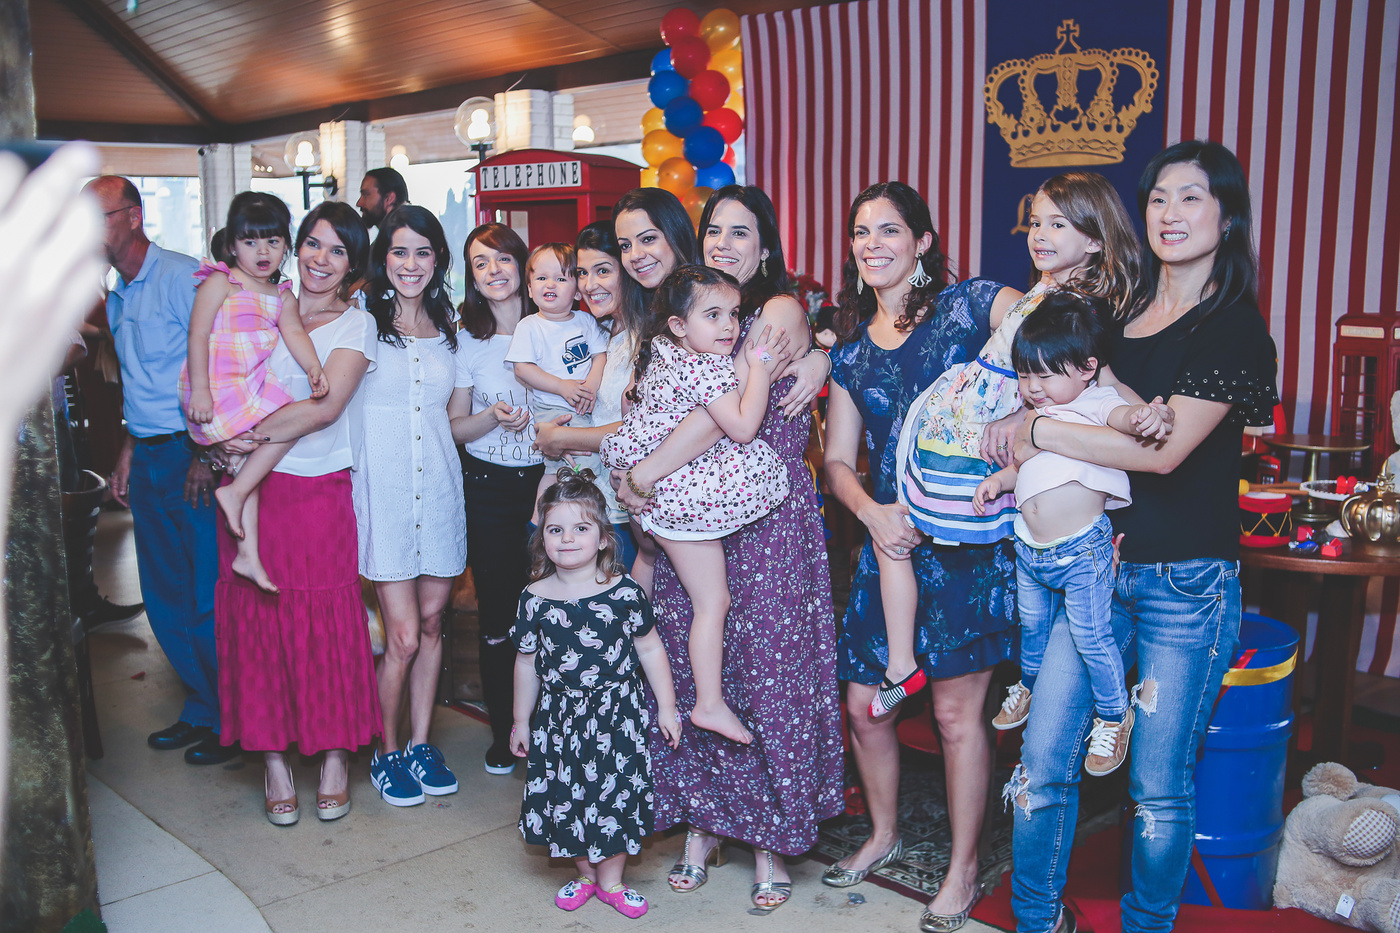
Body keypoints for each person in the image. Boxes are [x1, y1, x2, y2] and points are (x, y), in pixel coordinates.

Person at [1006, 141, 1279, 933]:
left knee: (1157, 787)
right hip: (1091, 567)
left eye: (1191, 198)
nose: (1170, 214)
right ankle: (1036, 921)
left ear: (1227, 217)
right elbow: (1049, 387)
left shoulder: (1233, 330)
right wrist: (1033, 420)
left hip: (1187, 582)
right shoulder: (1112, 317)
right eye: (1158, 197)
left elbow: (1161, 452)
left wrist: (1039, 429)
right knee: (1041, 763)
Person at [614, 185, 840, 913]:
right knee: (698, 665)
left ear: (766, 247)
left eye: (742, 233)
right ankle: (704, 822)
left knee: (766, 671)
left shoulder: (773, 312)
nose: (724, 244)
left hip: (764, 516)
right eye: (714, 230)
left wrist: (643, 473)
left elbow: (722, 419)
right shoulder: (698, 313)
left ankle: (769, 835)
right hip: (698, 513)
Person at [822, 181, 1021, 931]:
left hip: (967, 545)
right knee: (863, 706)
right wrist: (871, 513)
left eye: (889, 229)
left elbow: (1056, 332)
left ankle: (963, 867)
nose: (872, 244)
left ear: (923, 241)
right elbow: (838, 460)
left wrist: (1028, 422)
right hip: (889, 543)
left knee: (955, 714)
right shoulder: (849, 354)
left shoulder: (971, 307)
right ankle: (883, 833)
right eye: (861, 231)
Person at [874, 171, 1144, 719]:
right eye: (1036, 223)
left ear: (1096, 240)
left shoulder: (1076, 309)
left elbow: (1097, 380)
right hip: (971, 411)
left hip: (984, 425)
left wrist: (1142, 415)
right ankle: (911, 664)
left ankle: (907, 666)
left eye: (1058, 224)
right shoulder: (1048, 290)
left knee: (902, 531)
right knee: (899, 529)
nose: (1040, 234)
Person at [212, 200, 382, 824]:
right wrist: (216, 437)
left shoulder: (355, 325)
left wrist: (247, 434)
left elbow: (324, 409)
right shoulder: (254, 303)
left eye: (338, 250)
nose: (321, 259)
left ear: (352, 264)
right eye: (313, 243)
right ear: (294, 245)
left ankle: (335, 758)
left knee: (328, 624)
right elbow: (217, 373)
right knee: (258, 626)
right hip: (249, 490)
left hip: (317, 491)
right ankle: (274, 762)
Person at [972, 293, 1168, 774]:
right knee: (1031, 628)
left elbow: (1124, 418)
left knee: (1091, 636)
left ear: (1087, 368)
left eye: (1046, 375)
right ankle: (1029, 685)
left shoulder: (1096, 402)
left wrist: (1141, 415)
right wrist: (1001, 481)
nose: (1033, 387)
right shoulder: (1035, 417)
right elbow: (1029, 468)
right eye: (1025, 376)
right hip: (1030, 549)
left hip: (1082, 552)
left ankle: (1113, 715)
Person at [602, 264, 790, 746]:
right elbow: (743, 427)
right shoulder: (701, 367)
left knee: (702, 595)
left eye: (734, 314)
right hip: (677, 499)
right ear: (679, 325)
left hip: (657, 494)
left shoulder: (669, 352)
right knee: (713, 602)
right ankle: (708, 703)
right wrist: (761, 368)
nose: (729, 326)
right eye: (713, 315)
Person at [83, 174, 234, 766]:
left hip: (190, 455)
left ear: (134, 216)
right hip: (147, 452)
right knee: (163, 591)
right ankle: (202, 706)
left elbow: (218, 366)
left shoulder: (180, 277)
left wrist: (203, 451)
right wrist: (127, 449)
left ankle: (231, 718)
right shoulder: (117, 292)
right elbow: (142, 383)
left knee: (204, 591)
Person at [509, 470, 682, 919]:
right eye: (555, 529)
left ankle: (612, 882)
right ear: (541, 538)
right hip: (559, 720)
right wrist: (521, 721)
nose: (567, 538)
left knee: (615, 797)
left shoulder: (623, 592)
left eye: (580, 528)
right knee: (567, 796)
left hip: (616, 716)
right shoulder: (534, 598)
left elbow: (650, 648)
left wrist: (667, 707)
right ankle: (585, 874)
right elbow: (526, 663)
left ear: (604, 538)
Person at [356, 205, 469, 806]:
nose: (411, 264)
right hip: (386, 493)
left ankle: (422, 744)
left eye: (423, 252)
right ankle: (387, 749)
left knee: (430, 625)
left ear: (437, 260)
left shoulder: (450, 327)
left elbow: (455, 421)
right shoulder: (361, 322)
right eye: (400, 251)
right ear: (384, 258)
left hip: (442, 491)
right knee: (400, 636)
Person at [180, 193, 328, 594]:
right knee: (284, 430)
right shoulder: (221, 282)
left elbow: (294, 332)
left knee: (253, 457)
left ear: (286, 245)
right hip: (217, 385)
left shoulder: (282, 296)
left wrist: (314, 367)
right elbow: (197, 334)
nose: (263, 252)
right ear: (232, 246)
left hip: (249, 384)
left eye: (273, 242)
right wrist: (201, 391)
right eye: (251, 242)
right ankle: (236, 495)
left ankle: (247, 554)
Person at [456, 221, 541, 775]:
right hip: (488, 488)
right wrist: (492, 416)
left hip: (553, 483)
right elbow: (454, 428)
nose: (493, 271)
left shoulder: (558, 323)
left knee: (556, 607)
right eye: (480, 263)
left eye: (502, 258)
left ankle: (550, 728)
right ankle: (505, 728)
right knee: (499, 612)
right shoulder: (466, 339)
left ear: (521, 264)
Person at [531, 221, 650, 569]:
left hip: (623, 508)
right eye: (582, 273)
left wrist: (561, 437)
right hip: (581, 504)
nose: (589, 284)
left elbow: (645, 429)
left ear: (627, 271)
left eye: (603, 271)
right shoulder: (593, 330)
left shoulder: (648, 339)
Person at [505, 242, 608, 512]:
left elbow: (600, 355)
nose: (550, 284)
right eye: (541, 278)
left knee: (579, 466)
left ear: (577, 291)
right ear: (530, 289)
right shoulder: (530, 326)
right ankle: (543, 520)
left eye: (561, 279)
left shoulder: (585, 321)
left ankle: (577, 519)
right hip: (553, 408)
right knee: (567, 468)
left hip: (586, 406)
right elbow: (522, 368)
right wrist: (562, 387)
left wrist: (592, 384)